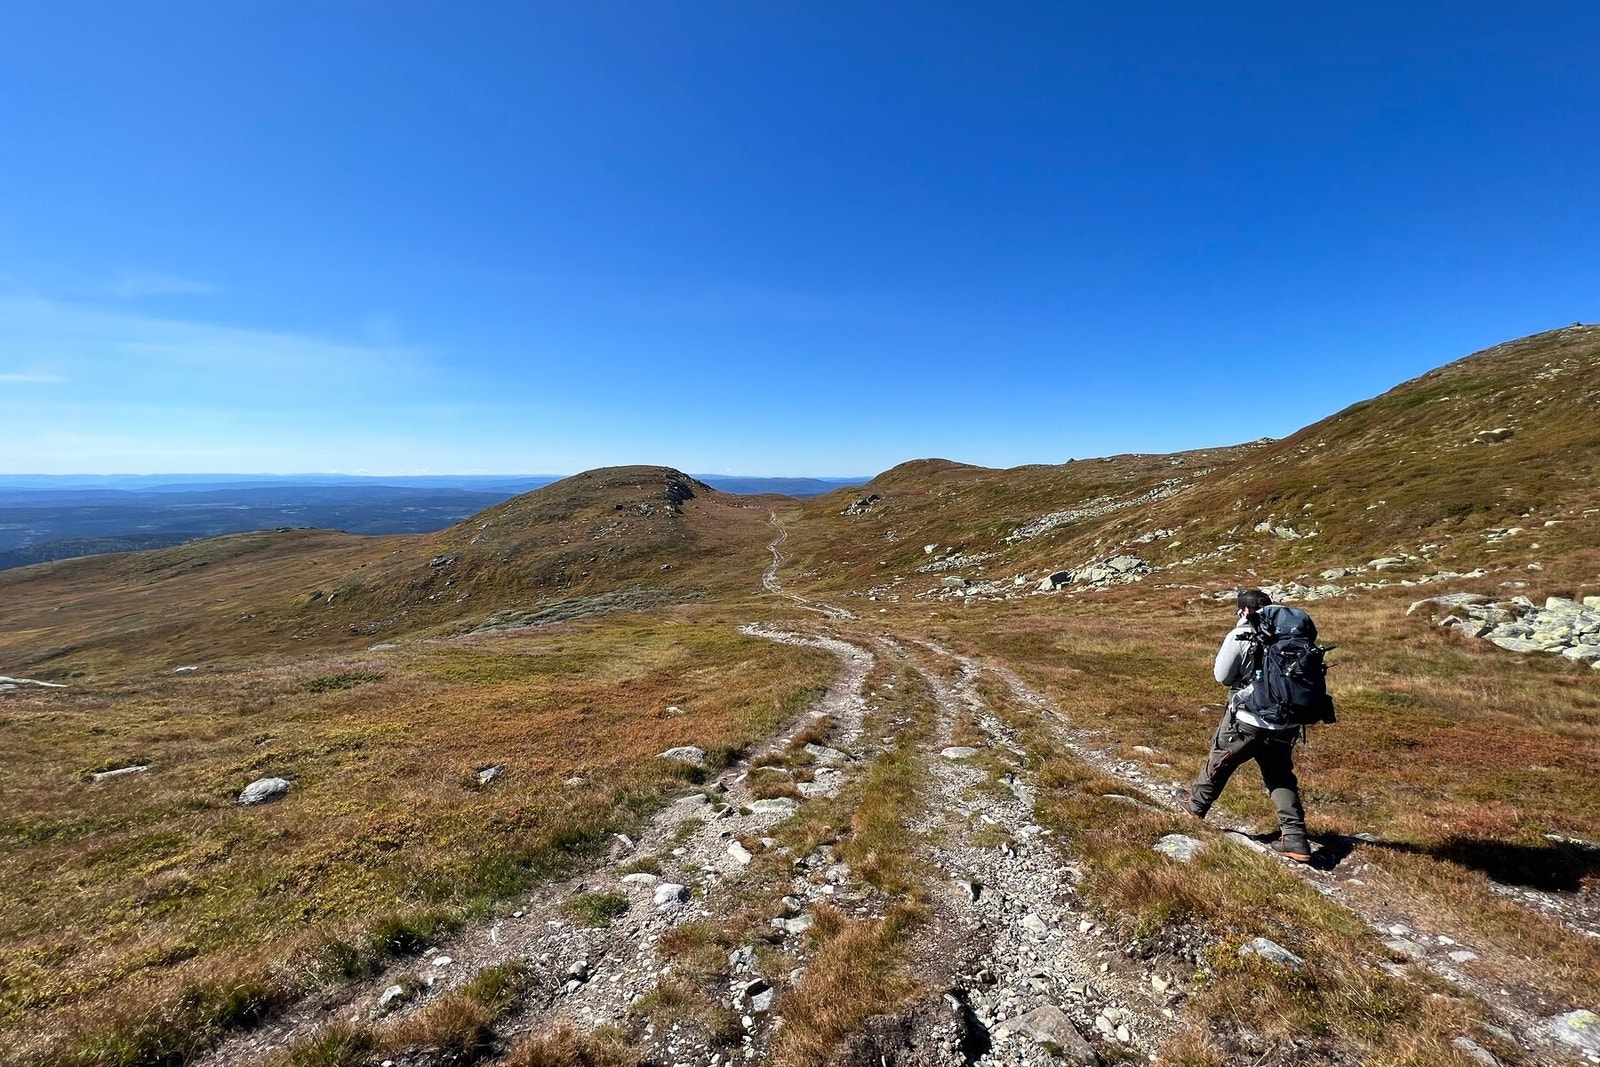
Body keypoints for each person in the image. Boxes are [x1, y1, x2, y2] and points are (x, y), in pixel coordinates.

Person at [1177, 589, 1313, 862]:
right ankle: (1295, 837)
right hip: (1286, 720)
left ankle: (1194, 807)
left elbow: (1222, 676)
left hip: (1249, 718)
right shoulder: (1294, 632)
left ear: (1244, 610)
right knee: (1279, 773)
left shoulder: (1242, 633)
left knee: (1221, 758)